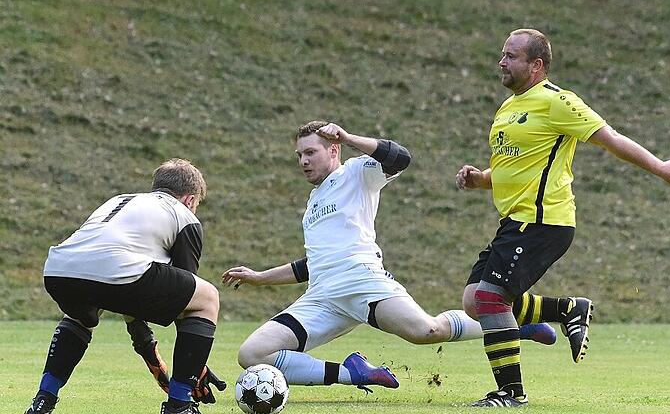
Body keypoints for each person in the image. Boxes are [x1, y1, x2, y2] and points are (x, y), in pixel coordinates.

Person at [455, 28, 670, 407]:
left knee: (490, 297)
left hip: (544, 220)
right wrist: (479, 180)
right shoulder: (507, 108)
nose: (501, 62)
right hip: (516, 220)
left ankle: (511, 393)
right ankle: (568, 309)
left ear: (536, 65)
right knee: (475, 301)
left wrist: (661, 168)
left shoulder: (558, 102)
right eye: (502, 55)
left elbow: (611, 138)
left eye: (511, 56)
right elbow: (511, 168)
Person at [221, 121, 555, 392]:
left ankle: (508, 326)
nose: (303, 161)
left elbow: (400, 158)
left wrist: (350, 137)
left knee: (427, 331)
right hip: (322, 297)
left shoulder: (356, 172)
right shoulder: (312, 204)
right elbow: (313, 264)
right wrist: (259, 277)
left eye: (310, 152)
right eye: (299, 155)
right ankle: (355, 373)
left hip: (360, 279)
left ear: (333, 149)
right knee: (252, 354)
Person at [25, 159, 225, 414]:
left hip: (59, 270)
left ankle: (43, 400)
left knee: (80, 315)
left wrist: (147, 347)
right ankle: (180, 405)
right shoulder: (184, 214)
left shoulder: (121, 200)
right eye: (196, 205)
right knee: (207, 298)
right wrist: (194, 368)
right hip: (115, 271)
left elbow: (120, 291)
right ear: (190, 199)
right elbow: (184, 303)